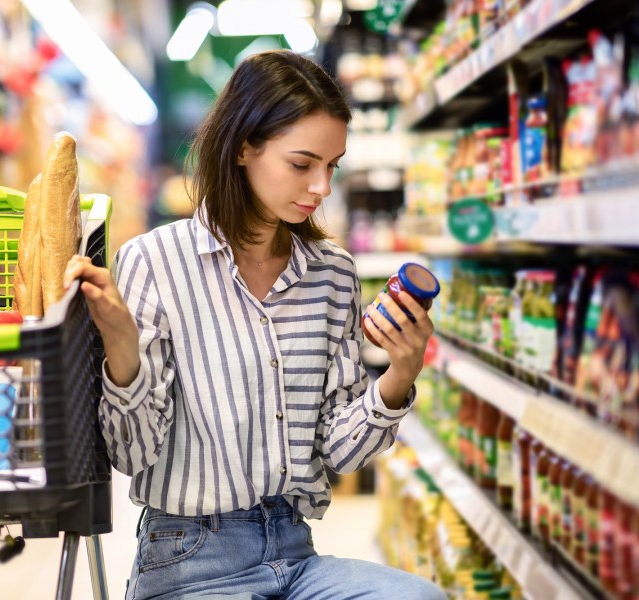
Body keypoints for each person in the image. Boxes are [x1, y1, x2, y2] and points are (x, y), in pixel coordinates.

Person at [64, 49, 445, 600]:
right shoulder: (155, 261)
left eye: (331, 166)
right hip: (187, 556)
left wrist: (401, 373)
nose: (322, 188)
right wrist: (122, 352)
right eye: (302, 164)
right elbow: (131, 454)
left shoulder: (332, 273)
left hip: (294, 549)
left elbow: (340, 451)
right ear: (244, 147)